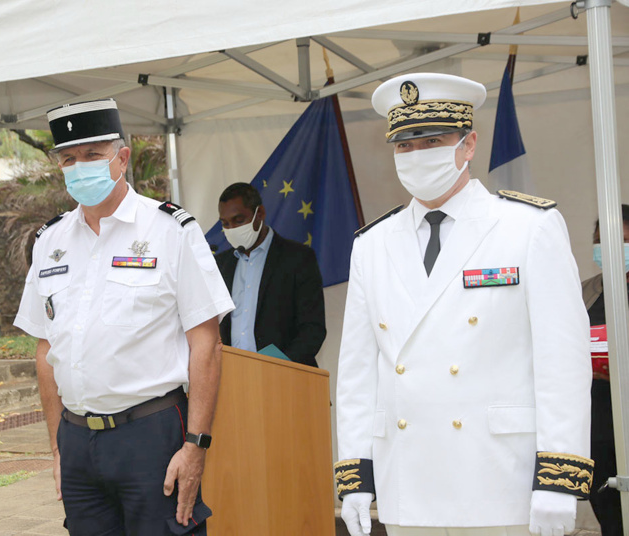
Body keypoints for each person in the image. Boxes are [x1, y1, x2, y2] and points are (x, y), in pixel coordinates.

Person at [335, 73, 593, 536]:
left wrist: (559, 475)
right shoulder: (372, 245)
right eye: (405, 146)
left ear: (468, 144)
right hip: (407, 483)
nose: (417, 156)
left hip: (500, 480)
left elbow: (562, 362)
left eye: (432, 141)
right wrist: (355, 473)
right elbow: (357, 372)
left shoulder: (527, 227)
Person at [14, 99, 234, 536]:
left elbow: (206, 343)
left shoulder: (170, 230)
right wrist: (58, 448)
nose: (80, 167)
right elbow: (45, 349)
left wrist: (196, 445)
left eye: (92, 155)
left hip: (150, 434)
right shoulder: (50, 241)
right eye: (69, 159)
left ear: (122, 157)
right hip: (77, 440)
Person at [214, 182, 326, 367]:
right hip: (233, 376)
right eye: (225, 224)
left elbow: (312, 328)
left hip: (285, 375)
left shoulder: (298, 258)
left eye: (239, 220)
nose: (232, 228)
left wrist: (278, 367)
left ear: (260, 214)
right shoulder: (220, 265)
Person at [581, 206, 629, 536]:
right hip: (598, 415)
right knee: (606, 502)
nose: (611, 248)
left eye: (623, 240)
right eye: (602, 240)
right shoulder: (584, 291)